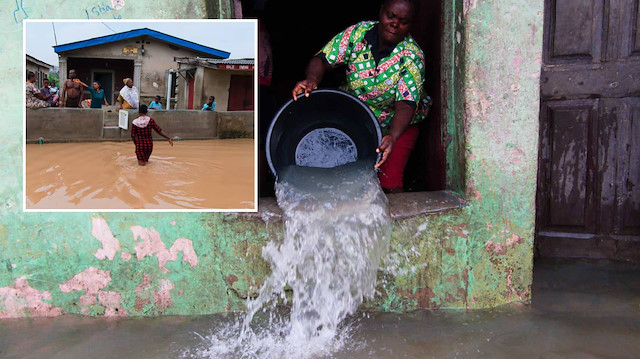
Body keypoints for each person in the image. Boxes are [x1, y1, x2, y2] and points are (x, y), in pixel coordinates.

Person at [292, 0, 431, 193]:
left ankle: (394, 221)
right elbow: (323, 59)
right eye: (391, 16)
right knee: (345, 175)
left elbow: (406, 104)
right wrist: (311, 79)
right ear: (381, 11)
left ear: (411, 25)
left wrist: (393, 135)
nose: (395, 23)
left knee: (390, 184)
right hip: (355, 116)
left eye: (403, 21)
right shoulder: (358, 34)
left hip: (397, 125)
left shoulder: (412, 56)